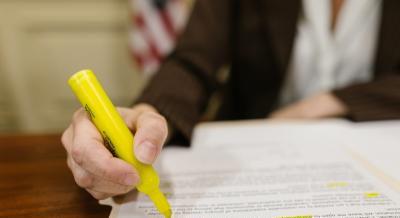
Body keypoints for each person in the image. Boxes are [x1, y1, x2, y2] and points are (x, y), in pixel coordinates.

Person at [62, 0, 400, 200]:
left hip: (377, 152)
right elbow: (193, 61)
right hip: (250, 155)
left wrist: (330, 102)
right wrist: (146, 116)